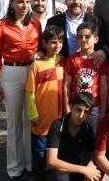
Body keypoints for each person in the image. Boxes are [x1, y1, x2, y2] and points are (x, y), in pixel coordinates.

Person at [0, 0, 43, 180]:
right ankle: (14, 167)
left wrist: (38, 53)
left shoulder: (35, 24)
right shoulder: (1, 25)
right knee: (13, 122)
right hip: (10, 72)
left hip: (31, 71)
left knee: (31, 118)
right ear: (11, 3)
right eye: (20, 2)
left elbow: (42, 48)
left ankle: (30, 164)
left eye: (28, 2)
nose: (25, 6)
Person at [25, 25, 67, 181]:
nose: (57, 46)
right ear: (45, 43)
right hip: (42, 119)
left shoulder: (65, 62)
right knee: (40, 157)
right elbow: (30, 91)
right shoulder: (37, 64)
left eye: (60, 42)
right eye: (53, 42)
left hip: (60, 119)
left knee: (58, 156)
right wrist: (33, 113)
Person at [43, 92, 102, 181]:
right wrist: (84, 170)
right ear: (71, 107)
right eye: (78, 109)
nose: (81, 115)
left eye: (86, 112)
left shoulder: (87, 128)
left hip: (77, 169)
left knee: (97, 177)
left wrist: (90, 165)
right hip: (56, 170)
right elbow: (51, 161)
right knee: (61, 178)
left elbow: (92, 153)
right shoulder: (58, 125)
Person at [46, 0, 108, 64]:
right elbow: (45, 42)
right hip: (61, 67)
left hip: (89, 67)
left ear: (84, 0)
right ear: (65, 1)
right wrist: (40, 51)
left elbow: (104, 41)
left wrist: (102, 50)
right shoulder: (53, 22)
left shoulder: (94, 21)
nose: (76, 2)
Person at [64, 22, 108, 136]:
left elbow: (103, 87)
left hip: (94, 107)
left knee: (94, 137)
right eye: (80, 37)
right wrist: (67, 108)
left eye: (87, 36)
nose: (83, 39)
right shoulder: (72, 59)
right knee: (74, 136)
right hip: (76, 106)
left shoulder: (101, 60)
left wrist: (102, 112)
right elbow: (66, 86)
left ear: (96, 39)